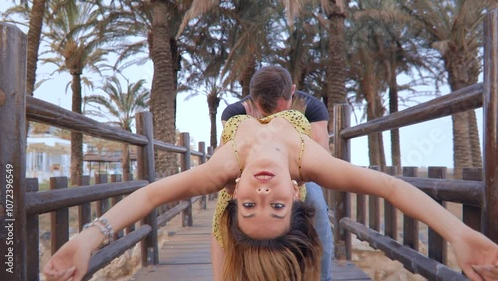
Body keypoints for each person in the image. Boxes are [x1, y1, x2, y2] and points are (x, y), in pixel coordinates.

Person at [44, 108, 498, 281]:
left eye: (253, 202)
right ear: (293, 191)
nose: (262, 191)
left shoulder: (223, 173)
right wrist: (457, 232)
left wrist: (87, 239)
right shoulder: (307, 165)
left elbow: (149, 197)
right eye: (276, 205)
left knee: (306, 218)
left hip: (231, 214)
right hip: (238, 219)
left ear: (234, 189)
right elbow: (388, 185)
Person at [212, 65, 334, 281]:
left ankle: (322, 275)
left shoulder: (312, 108)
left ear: (293, 92)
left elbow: (322, 154)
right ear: (255, 99)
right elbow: (225, 151)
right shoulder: (234, 113)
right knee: (225, 208)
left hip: (300, 170)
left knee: (315, 201)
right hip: (246, 172)